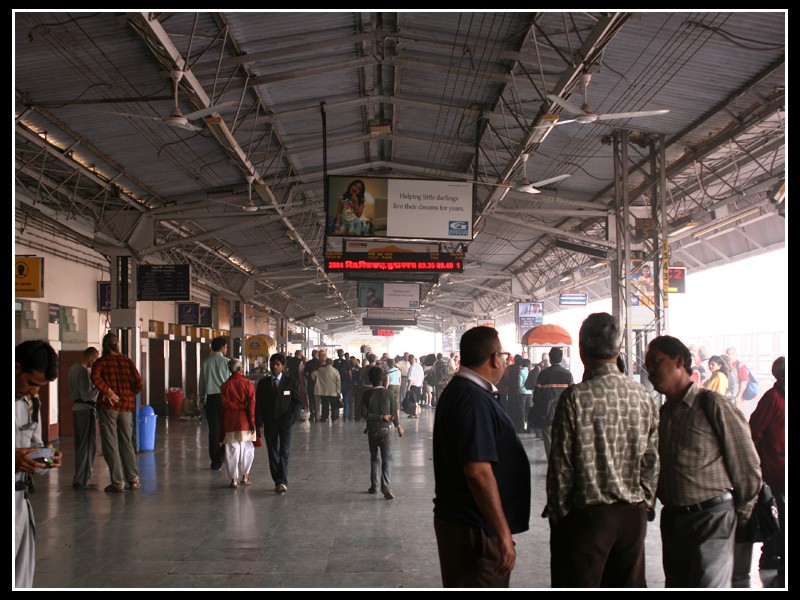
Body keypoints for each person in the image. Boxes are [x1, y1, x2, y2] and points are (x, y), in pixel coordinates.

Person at [546, 313, 659, 588]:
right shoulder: (643, 397)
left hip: (587, 521)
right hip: (632, 518)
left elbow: (561, 468)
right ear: (619, 349)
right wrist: (644, 503)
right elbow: (651, 461)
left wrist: (559, 519)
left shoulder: (575, 398)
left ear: (582, 351)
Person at [645, 335, 761, 588]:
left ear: (679, 361)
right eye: (648, 365)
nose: (650, 370)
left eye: (655, 362)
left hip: (713, 519)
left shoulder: (713, 405)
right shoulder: (664, 413)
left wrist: (743, 516)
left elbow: (746, 464)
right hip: (674, 522)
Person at [432, 326, 530, 588]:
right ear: (494, 358)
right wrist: (502, 532)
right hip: (474, 530)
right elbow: (478, 472)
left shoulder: (464, 391)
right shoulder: (472, 399)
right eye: (504, 355)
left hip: (466, 524)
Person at [15, 340, 62, 588]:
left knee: (22, 578)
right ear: (16, 367)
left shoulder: (31, 405)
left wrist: (46, 458)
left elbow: (36, 445)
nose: (35, 391)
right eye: (32, 383)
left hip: (20, 502)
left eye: (40, 387)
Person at [747, 356, 785, 586]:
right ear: (780, 376)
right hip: (774, 470)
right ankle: (772, 556)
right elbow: (754, 430)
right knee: (777, 515)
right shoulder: (773, 398)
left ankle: (774, 556)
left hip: (780, 469)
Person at [91, 332, 143, 493]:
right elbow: (139, 383)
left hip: (108, 407)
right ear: (117, 345)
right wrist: (127, 395)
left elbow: (94, 377)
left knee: (110, 444)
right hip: (126, 408)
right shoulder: (127, 361)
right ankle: (133, 480)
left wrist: (108, 392)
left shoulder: (101, 362)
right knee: (127, 443)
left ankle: (117, 482)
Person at [256, 353, 302, 495]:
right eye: (272, 364)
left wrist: (292, 418)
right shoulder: (263, 384)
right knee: (272, 451)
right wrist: (259, 424)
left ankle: (282, 481)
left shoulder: (290, 382)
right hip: (270, 422)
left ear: (283, 367)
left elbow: (297, 402)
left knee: (284, 451)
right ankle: (278, 480)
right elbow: (258, 405)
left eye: (277, 364)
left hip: (285, 422)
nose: (274, 367)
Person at [361, 366, 404, 499]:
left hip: (372, 430)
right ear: (383, 379)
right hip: (386, 430)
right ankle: (385, 485)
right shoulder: (390, 393)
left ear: (370, 379)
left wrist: (377, 417)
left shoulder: (366, 394)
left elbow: (364, 414)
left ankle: (374, 486)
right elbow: (394, 414)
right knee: (387, 458)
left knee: (374, 458)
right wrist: (398, 427)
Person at [219, 359, 257, 489]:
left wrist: (236, 406)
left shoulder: (224, 386)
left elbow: (224, 403)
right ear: (240, 368)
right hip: (245, 421)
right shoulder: (248, 384)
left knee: (231, 450)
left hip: (230, 422)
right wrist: (252, 422)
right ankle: (245, 476)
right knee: (247, 449)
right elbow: (251, 404)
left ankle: (233, 479)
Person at [531, 347, 574, 459]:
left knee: (548, 438)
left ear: (550, 358)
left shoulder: (543, 374)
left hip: (547, 412)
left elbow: (536, 395)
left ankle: (552, 461)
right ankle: (561, 459)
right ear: (561, 358)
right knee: (563, 437)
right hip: (563, 412)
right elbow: (572, 395)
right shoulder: (568, 375)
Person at [69, 346, 100, 490]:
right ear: (90, 358)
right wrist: (99, 387)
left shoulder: (72, 369)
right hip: (85, 410)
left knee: (80, 445)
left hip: (76, 409)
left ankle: (79, 477)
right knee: (88, 446)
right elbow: (86, 395)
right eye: (94, 360)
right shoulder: (82, 372)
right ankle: (83, 480)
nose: (94, 364)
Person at [198, 336, 229, 470]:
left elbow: (202, 384)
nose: (226, 349)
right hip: (225, 400)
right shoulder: (228, 362)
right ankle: (223, 453)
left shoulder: (206, 363)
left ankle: (215, 462)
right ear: (222, 347)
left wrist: (203, 399)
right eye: (226, 347)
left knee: (214, 432)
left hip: (211, 399)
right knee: (228, 429)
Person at [311, 357, 342, 422]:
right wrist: (338, 391)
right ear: (332, 363)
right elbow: (338, 382)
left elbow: (313, 374)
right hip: (333, 391)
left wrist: (316, 379)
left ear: (326, 363)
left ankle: (324, 417)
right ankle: (334, 418)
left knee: (325, 405)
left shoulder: (321, 370)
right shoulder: (335, 371)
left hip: (323, 391)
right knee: (333, 406)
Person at [333, 349, 352, 420]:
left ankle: (336, 415)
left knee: (336, 399)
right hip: (345, 383)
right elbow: (349, 373)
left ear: (337, 354)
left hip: (336, 383)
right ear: (343, 354)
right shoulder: (346, 362)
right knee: (346, 400)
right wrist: (350, 381)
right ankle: (346, 416)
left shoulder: (335, 362)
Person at [304, 349, 321, 421]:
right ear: (317, 355)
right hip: (318, 383)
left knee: (310, 399)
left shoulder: (308, 363)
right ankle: (317, 415)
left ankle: (312, 415)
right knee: (317, 400)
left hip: (310, 383)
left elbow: (304, 373)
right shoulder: (320, 363)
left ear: (311, 354)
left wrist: (308, 378)